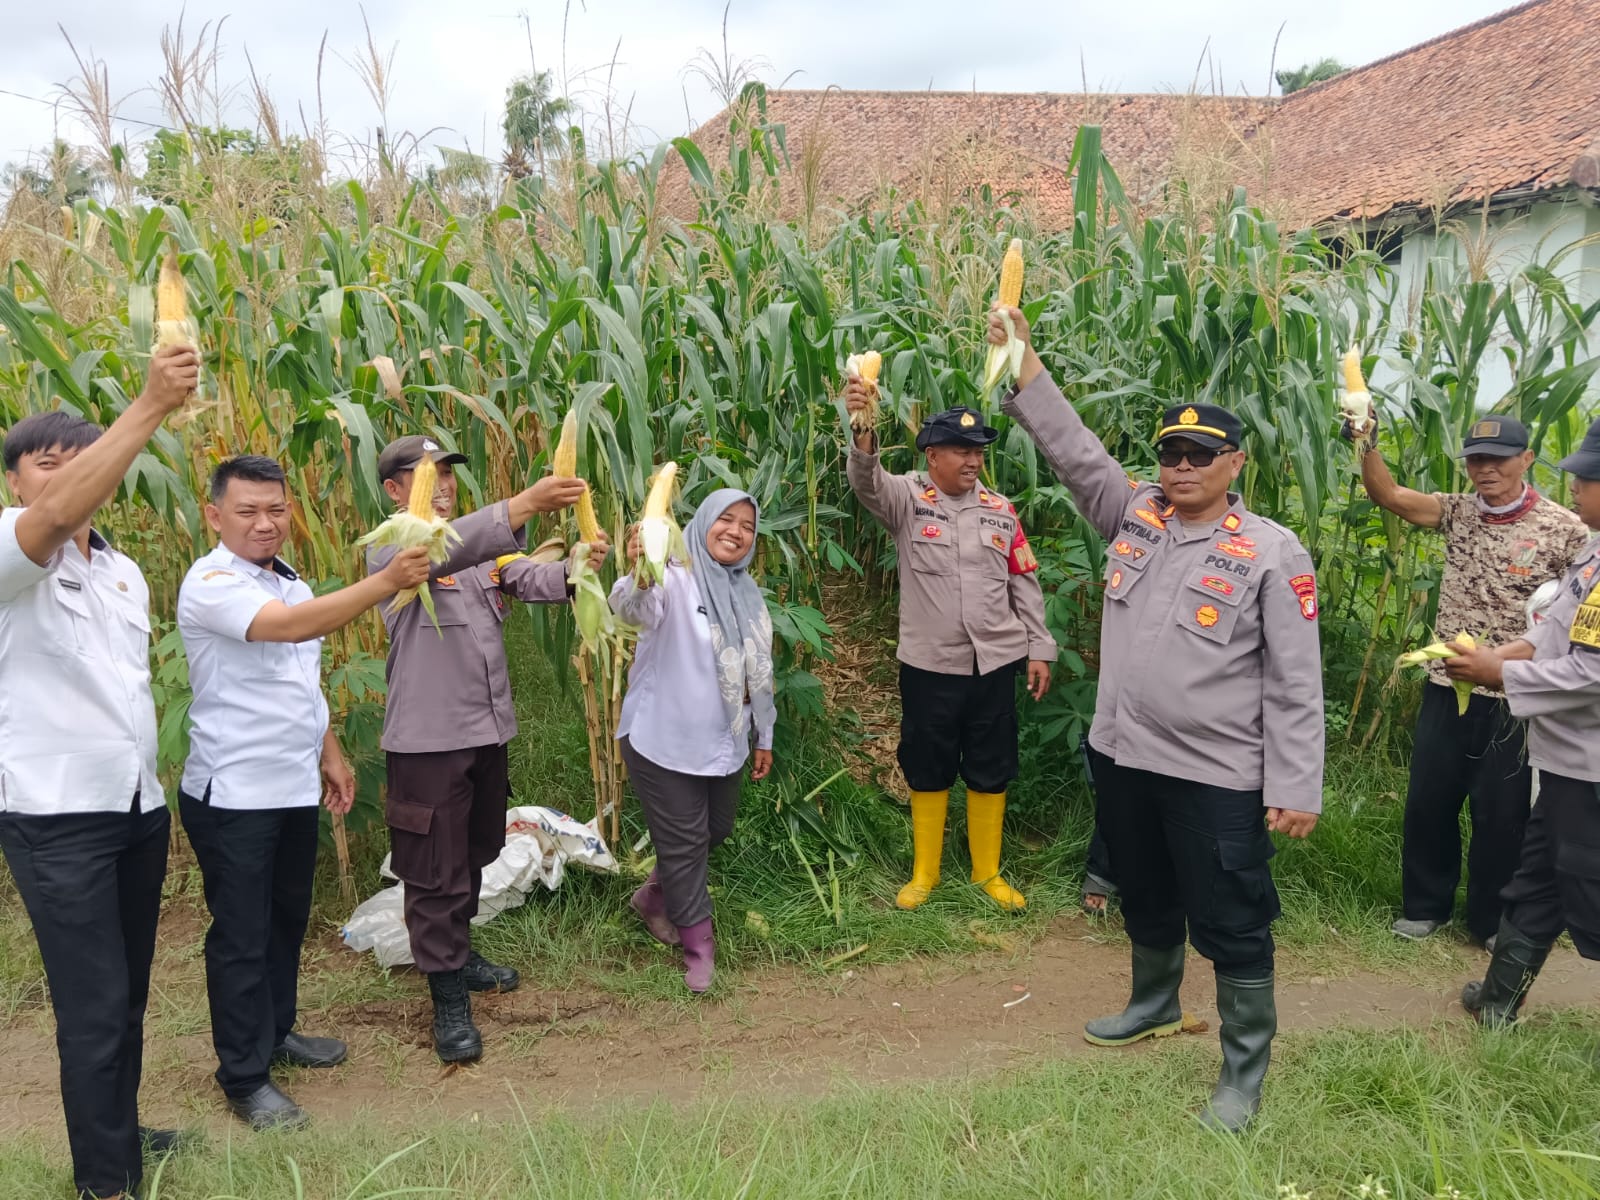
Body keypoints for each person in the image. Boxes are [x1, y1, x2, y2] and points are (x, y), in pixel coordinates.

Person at [996, 307, 1323, 1132]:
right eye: (1170, 454)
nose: (1180, 468)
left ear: (1234, 463)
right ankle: (1153, 1001)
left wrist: (1295, 784)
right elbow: (1074, 452)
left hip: (1215, 776)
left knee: (1232, 917)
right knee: (1143, 890)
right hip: (1124, 756)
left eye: (1199, 455)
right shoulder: (1136, 514)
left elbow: (1294, 683)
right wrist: (1024, 362)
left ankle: (1243, 1072)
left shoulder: (1272, 552)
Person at [177, 455, 432, 1130]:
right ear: (214, 516)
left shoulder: (288, 579)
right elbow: (292, 630)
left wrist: (332, 753)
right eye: (247, 512)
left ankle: (276, 1031)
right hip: (233, 794)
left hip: (290, 786)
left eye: (277, 510)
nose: (266, 524)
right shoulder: (211, 582)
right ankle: (243, 1074)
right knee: (241, 933)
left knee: (285, 919)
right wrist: (384, 580)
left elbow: (295, 676)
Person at [0, 345, 196, 1200]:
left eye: (85, 460)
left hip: (135, 812)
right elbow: (50, 522)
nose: (73, 475)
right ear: (16, 483)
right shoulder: (10, 553)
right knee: (91, 1010)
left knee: (125, 1002)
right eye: (50, 464)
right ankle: (105, 1184)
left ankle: (119, 1132)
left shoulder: (121, 572)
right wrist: (149, 407)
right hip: (55, 820)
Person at [368, 434, 607, 1064]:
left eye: (447, 473)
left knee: (476, 851)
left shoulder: (477, 559)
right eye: (426, 475)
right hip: (428, 744)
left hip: (485, 733)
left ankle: (460, 953)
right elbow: (452, 547)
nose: (442, 484)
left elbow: (531, 578)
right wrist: (522, 504)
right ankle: (447, 999)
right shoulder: (398, 551)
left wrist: (583, 563)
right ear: (394, 491)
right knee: (434, 872)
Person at [1347, 412, 1587, 945]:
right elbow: (1390, 495)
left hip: (1513, 694)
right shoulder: (1457, 513)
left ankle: (1490, 920)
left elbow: (1575, 610)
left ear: (1526, 459)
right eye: (1476, 459)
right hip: (1445, 685)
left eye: (1498, 458)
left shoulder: (1564, 530)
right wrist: (1366, 443)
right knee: (1430, 801)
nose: (1485, 469)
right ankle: (1425, 906)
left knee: (1501, 815)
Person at [842, 380, 1056, 911]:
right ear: (932, 455)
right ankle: (926, 874)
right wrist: (863, 428)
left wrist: (1040, 646)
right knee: (928, 762)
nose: (973, 460)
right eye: (962, 450)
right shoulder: (908, 500)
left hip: (995, 663)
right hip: (930, 666)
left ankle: (988, 874)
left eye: (979, 451)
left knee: (992, 762)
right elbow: (867, 484)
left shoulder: (1001, 510)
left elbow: (1022, 581)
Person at [1443, 416, 1600, 1025]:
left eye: (1585, 480)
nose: (1577, 490)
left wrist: (1500, 676)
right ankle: (1498, 1002)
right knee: (1539, 878)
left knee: (1585, 885)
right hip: (1566, 762)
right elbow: (1552, 637)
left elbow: (1591, 674)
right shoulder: (1592, 556)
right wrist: (1489, 659)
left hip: (1591, 771)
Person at [609, 490, 776, 992]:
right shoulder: (675, 579)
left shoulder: (746, 593)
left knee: (714, 831)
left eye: (747, 525)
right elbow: (632, 609)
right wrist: (642, 570)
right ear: (701, 524)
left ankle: (653, 898)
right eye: (725, 519)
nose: (736, 531)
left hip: (724, 743)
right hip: (663, 740)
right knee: (684, 845)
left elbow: (758, 674)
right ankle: (698, 946)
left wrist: (763, 735)